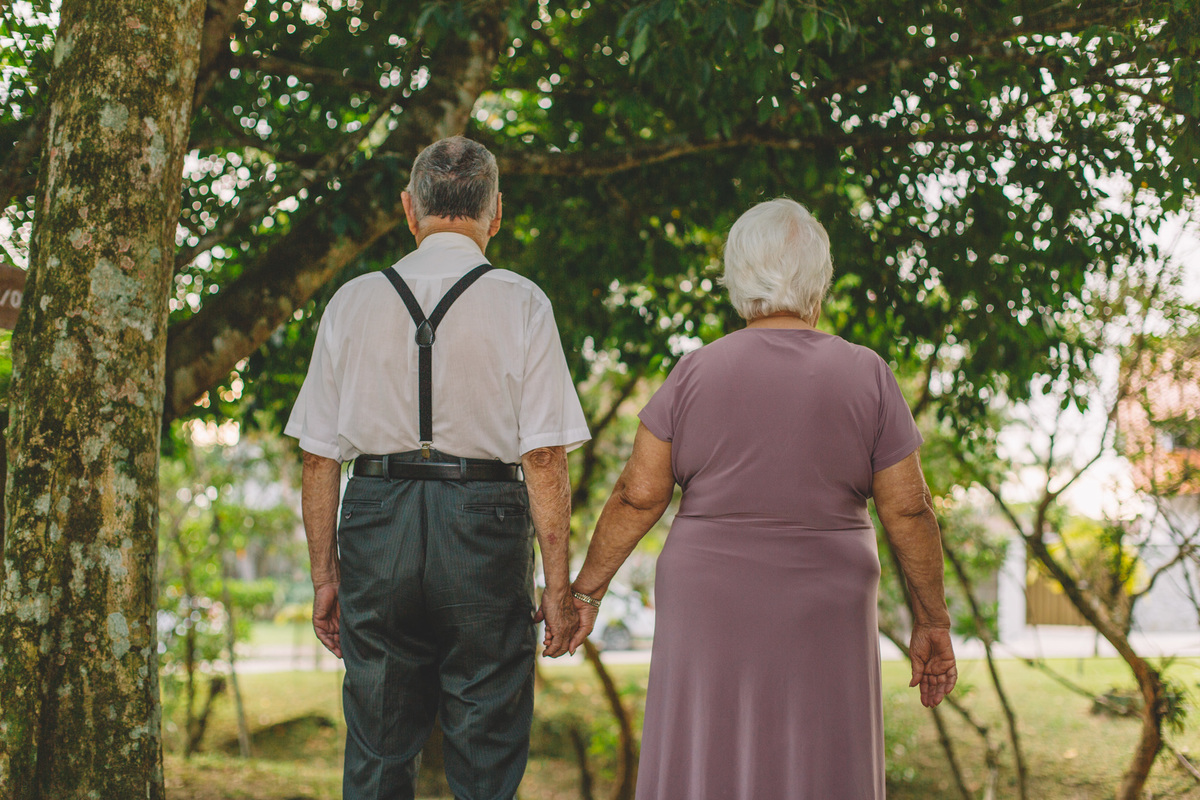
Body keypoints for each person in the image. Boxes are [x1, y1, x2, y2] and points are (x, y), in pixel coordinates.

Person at [568, 198, 957, 799]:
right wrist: (931, 620)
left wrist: (585, 591)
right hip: (828, 599)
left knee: (708, 747)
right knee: (823, 750)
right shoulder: (868, 374)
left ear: (737, 277)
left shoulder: (694, 372)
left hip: (709, 598)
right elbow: (908, 508)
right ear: (819, 279)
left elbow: (636, 496)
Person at [285, 136, 590, 800]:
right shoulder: (523, 302)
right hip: (482, 523)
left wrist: (324, 577)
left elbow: (317, 456)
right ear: (496, 211)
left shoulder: (352, 301)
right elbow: (542, 457)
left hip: (376, 518)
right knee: (486, 738)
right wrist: (559, 589)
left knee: (377, 737)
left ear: (409, 208)